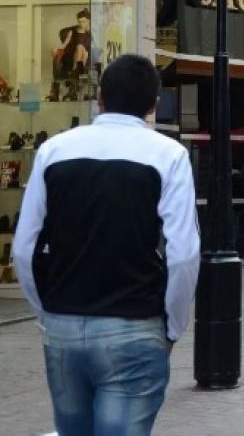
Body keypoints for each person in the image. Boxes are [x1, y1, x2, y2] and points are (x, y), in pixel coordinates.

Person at [13, 54, 200, 435]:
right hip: (133, 322)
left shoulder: (54, 151)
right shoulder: (168, 155)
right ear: (154, 105)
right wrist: (173, 326)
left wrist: (46, 312)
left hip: (63, 323)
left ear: (100, 98)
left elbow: (24, 248)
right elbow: (183, 254)